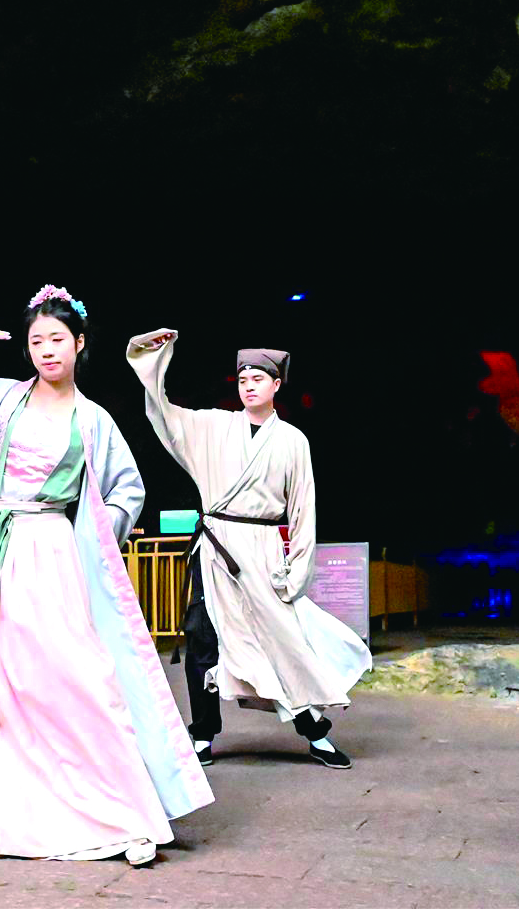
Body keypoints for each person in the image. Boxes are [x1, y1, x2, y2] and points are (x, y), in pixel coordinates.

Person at [0, 286, 212, 865]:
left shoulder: (93, 419)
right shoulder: (1, 399)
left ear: (80, 343)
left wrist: (94, 533)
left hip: (54, 552)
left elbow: (127, 489)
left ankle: (124, 813)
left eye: (57, 339)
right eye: (36, 340)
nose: (46, 349)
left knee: (80, 678)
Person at [127, 329, 372, 769]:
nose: (249, 386)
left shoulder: (292, 441)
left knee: (281, 642)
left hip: (262, 551)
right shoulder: (215, 426)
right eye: (243, 380)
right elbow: (165, 414)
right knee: (202, 636)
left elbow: (303, 510)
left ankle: (315, 733)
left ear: (276, 385)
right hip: (216, 548)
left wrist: (297, 570)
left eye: (258, 379)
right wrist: (155, 358)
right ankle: (203, 732)